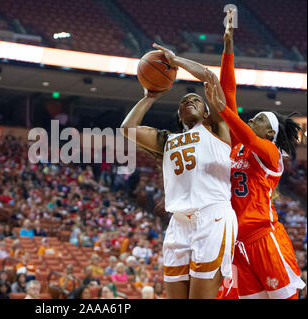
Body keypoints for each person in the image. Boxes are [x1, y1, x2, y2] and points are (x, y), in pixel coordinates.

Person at [120, 42, 237, 299]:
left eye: (196, 100)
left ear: (207, 112)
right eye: (184, 102)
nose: (190, 101)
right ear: (178, 115)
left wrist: (177, 61)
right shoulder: (168, 140)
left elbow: (210, 78)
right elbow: (127, 129)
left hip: (212, 215)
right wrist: (149, 97)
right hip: (178, 222)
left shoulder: (216, 128)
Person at [210, 9, 305, 299]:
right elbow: (229, 94)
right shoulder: (240, 146)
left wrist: (223, 110)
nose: (252, 119)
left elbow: (239, 123)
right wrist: (228, 48)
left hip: (263, 237)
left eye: (260, 118)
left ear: (270, 133)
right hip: (236, 242)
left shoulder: (271, 153)